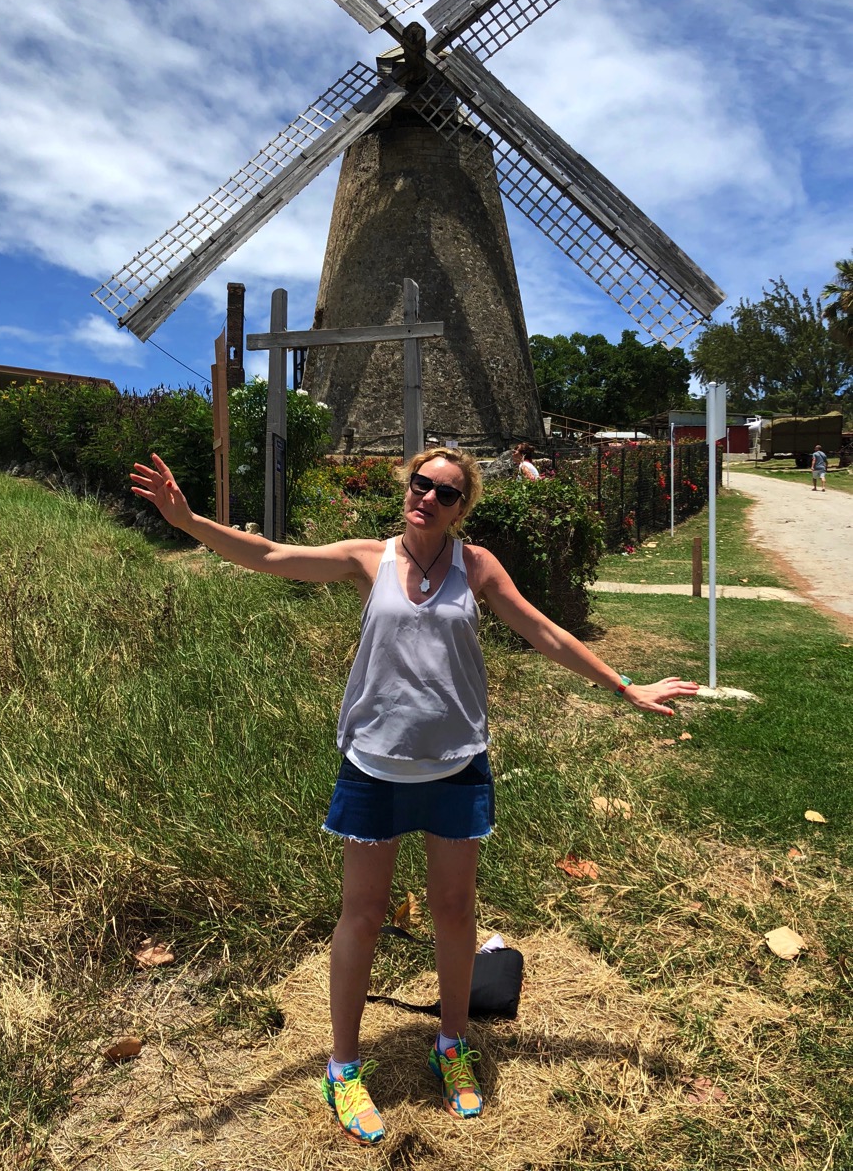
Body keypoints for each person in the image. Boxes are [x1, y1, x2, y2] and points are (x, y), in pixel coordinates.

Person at [130, 446, 698, 1146]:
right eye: (421, 483)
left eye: (446, 492)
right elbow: (271, 555)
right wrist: (188, 521)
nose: (427, 497)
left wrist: (623, 686)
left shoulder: (477, 566)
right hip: (374, 764)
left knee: (454, 910)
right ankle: (342, 1066)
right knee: (362, 916)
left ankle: (450, 1044)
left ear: (464, 508)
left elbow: (543, 629)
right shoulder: (369, 558)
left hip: (456, 764)